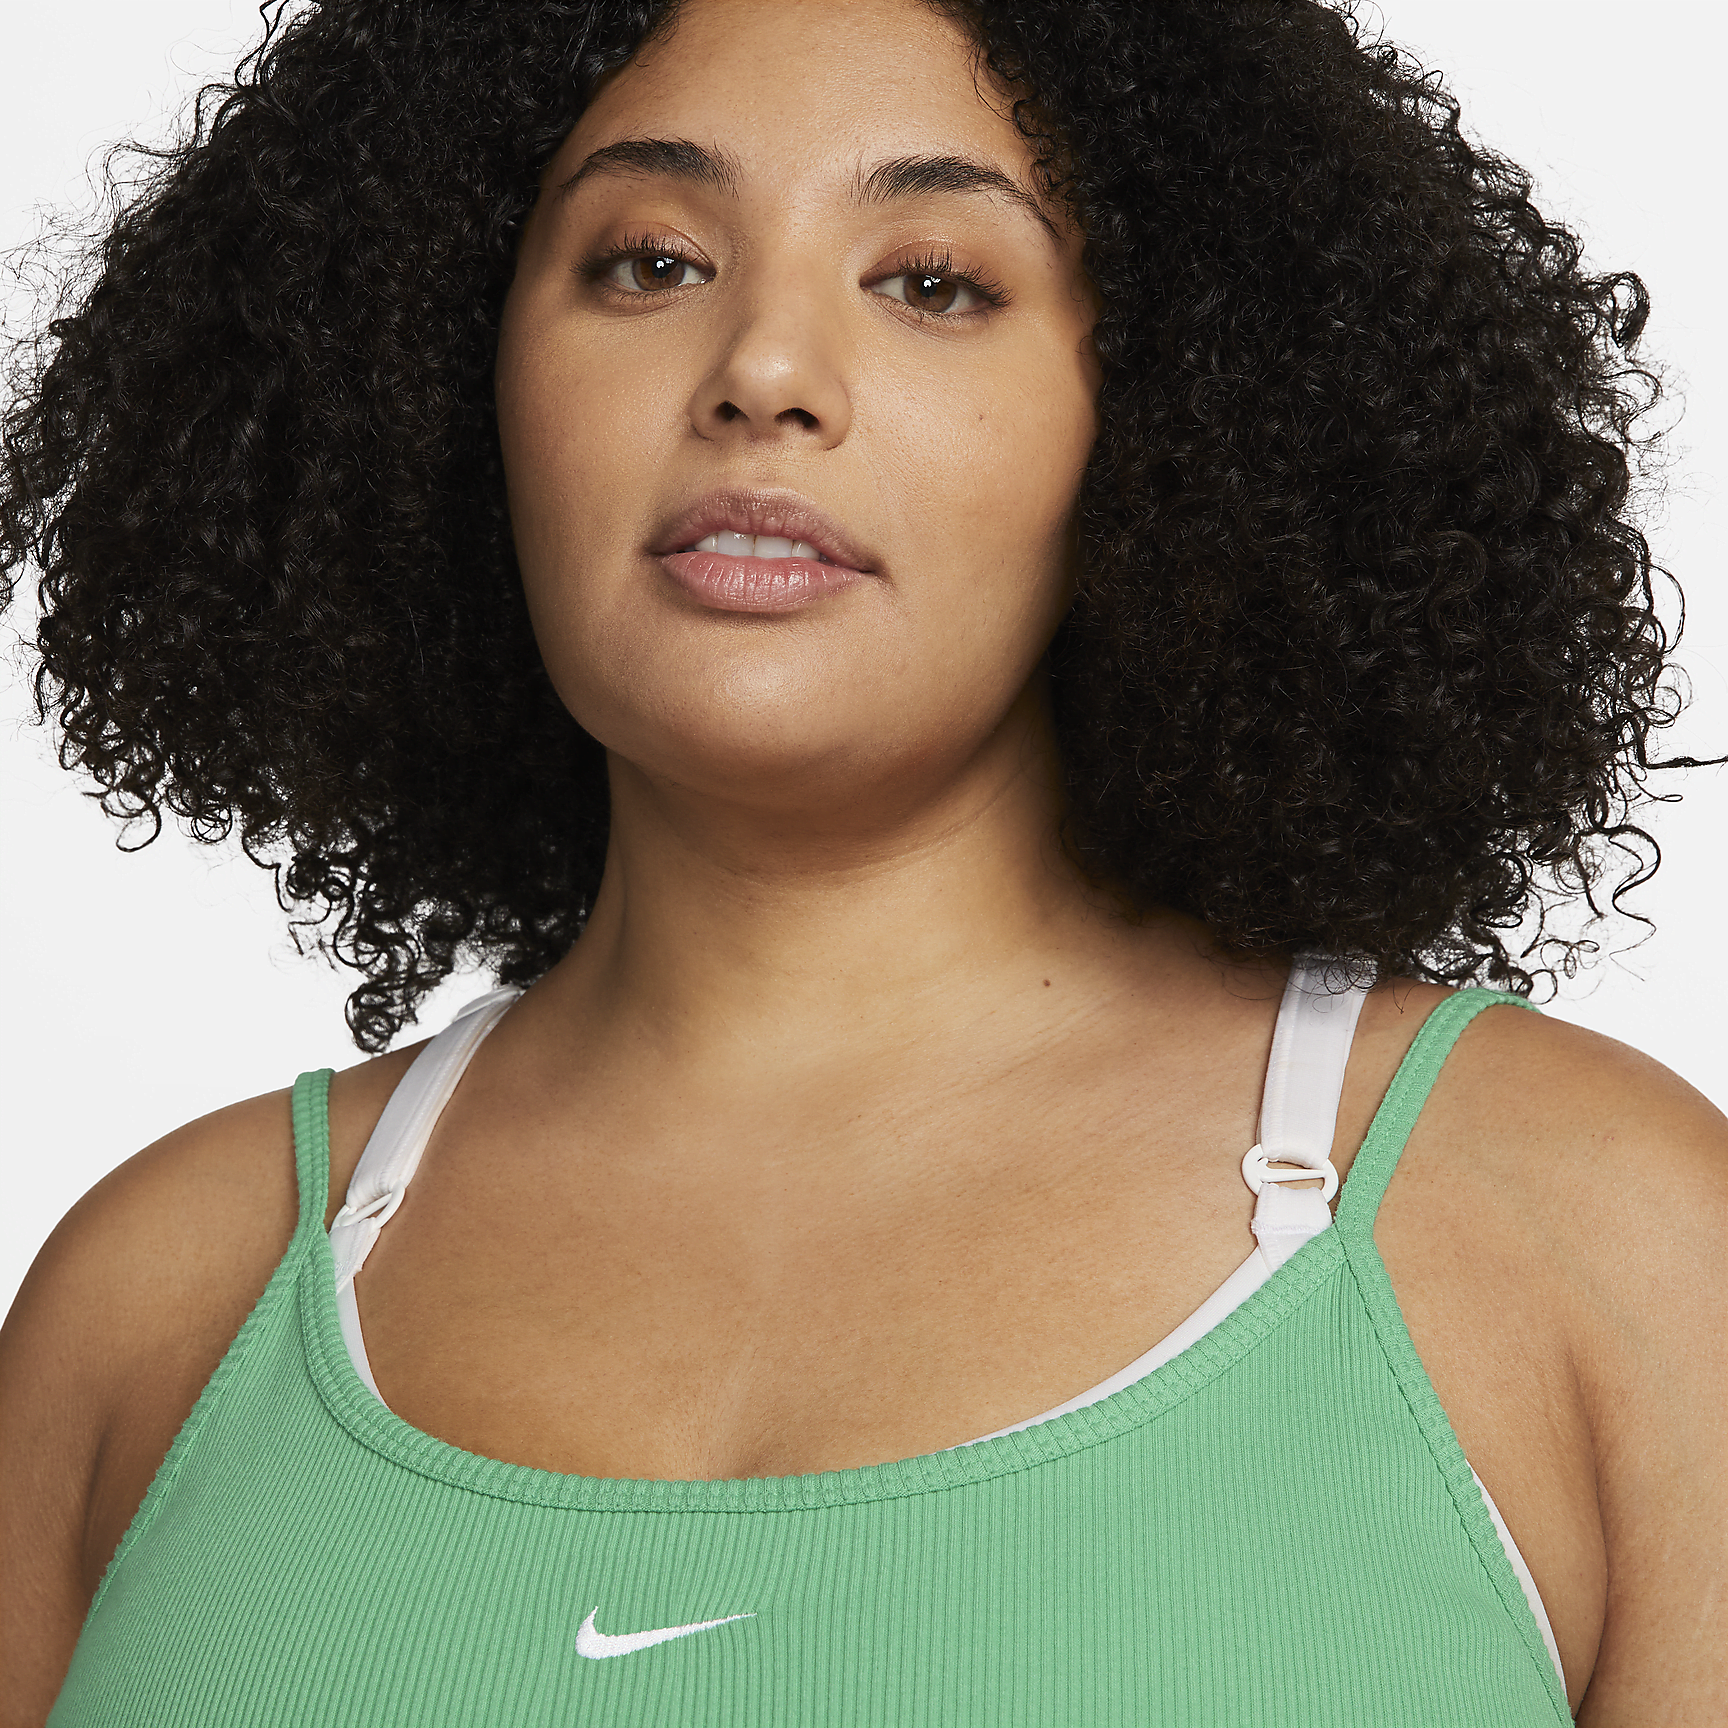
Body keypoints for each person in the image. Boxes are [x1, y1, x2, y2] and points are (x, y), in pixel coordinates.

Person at [1, 0, 1722, 1721]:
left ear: (1171, 411)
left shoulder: (1587, 1237)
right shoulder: (158, 1308)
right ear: (453, 370)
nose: (762, 368)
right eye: (651, 262)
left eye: (935, 283)